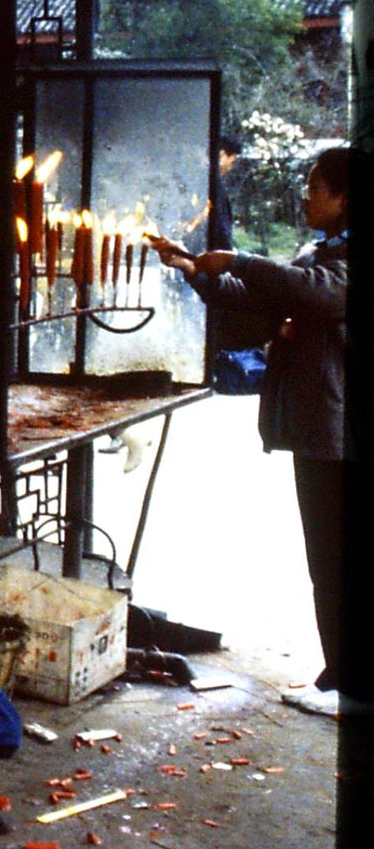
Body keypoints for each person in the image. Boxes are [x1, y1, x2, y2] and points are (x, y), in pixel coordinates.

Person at [151, 145, 351, 716]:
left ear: (347, 197)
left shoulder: (339, 262)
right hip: (319, 429)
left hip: (341, 432)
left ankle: (350, 684)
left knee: (337, 560)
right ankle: (338, 674)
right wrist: (196, 271)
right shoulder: (320, 251)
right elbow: (260, 307)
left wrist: (238, 260)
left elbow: (313, 292)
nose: (306, 195)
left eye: (318, 186)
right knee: (325, 560)